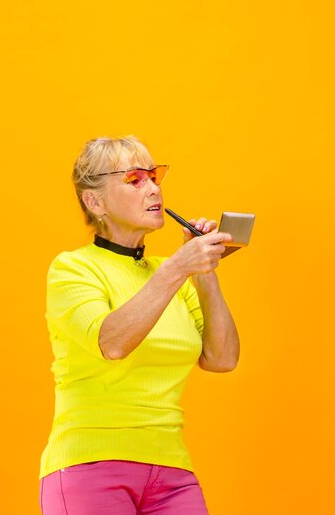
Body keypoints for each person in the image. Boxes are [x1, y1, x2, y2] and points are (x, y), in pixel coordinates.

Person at [39, 135, 239, 515]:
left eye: (154, 176)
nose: (153, 188)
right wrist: (181, 265)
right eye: (134, 179)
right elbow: (112, 343)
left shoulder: (171, 273)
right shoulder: (72, 269)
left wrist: (204, 270)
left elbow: (222, 358)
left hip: (172, 471)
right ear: (94, 201)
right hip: (90, 466)